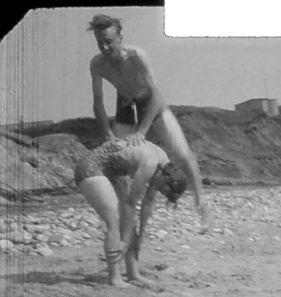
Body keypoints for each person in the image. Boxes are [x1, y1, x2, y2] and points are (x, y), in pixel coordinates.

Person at [86, 14, 213, 228]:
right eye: (100, 43)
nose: (105, 48)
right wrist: (106, 133)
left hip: (149, 100)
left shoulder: (137, 56)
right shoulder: (97, 64)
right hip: (125, 103)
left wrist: (142, 131)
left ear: (120, 38)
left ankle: (201, 202)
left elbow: (156, 95)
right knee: (117, 160)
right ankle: (126, 216)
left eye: (109, 42)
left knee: (181, 153)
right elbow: (98, 103)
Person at [74, 139, 187, 288]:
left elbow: (148, 202)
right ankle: (115, 278)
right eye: (164, 190)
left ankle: (133, 274)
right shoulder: (150, 164)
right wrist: (124, 242)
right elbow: (130, 204)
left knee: (130, 224)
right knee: (114, 220)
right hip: (91, 168)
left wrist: (140, 235)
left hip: (112, 171)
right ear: (166, 178)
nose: (161, 191)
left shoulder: (163, 165)